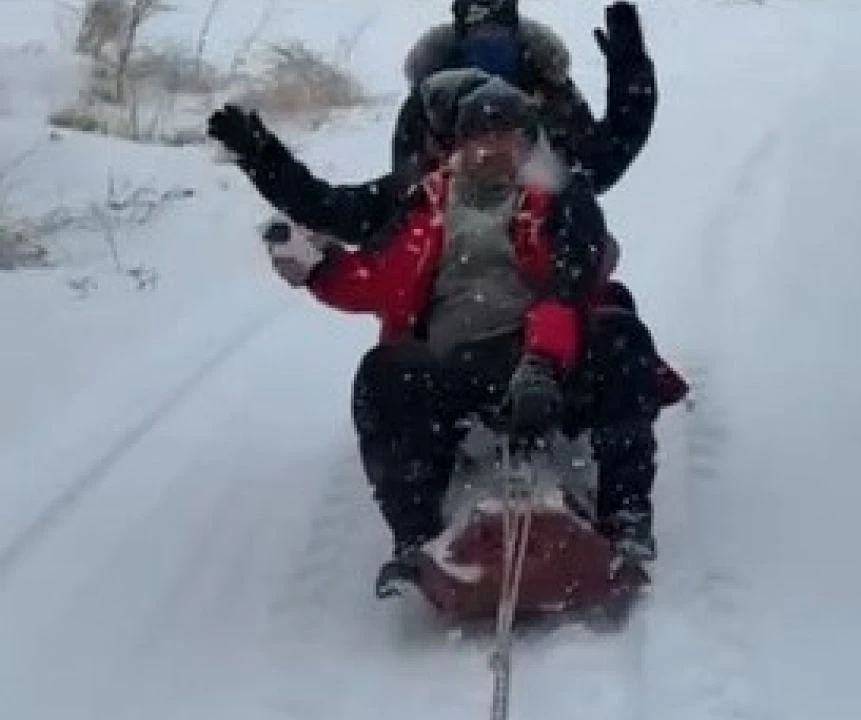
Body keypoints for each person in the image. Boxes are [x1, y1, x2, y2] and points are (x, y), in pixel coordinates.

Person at [206, 77, 663, 598]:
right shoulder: (417, 199)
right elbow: (327, 208)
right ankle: (416, 539)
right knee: (383, 374)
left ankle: (626, 518)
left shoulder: (563, 199)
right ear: (458, 145)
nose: (493, 150)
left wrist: (540, 364)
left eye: (508, 136)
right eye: (481, 137)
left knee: (622, 338)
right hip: (456, 362)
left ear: (529, 143)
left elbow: (570, 286)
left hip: (549, 357)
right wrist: (262, 157)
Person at [392, 0, 656, 195]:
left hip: (546, 242)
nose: (489, 42)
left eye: (498, 33)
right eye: (478, 35)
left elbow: (600, 163)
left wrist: (630, 77)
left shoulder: (550, 93)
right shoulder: (432, 103)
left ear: (514, 33)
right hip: (451, 246)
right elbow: (406, 194)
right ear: (461, 38)